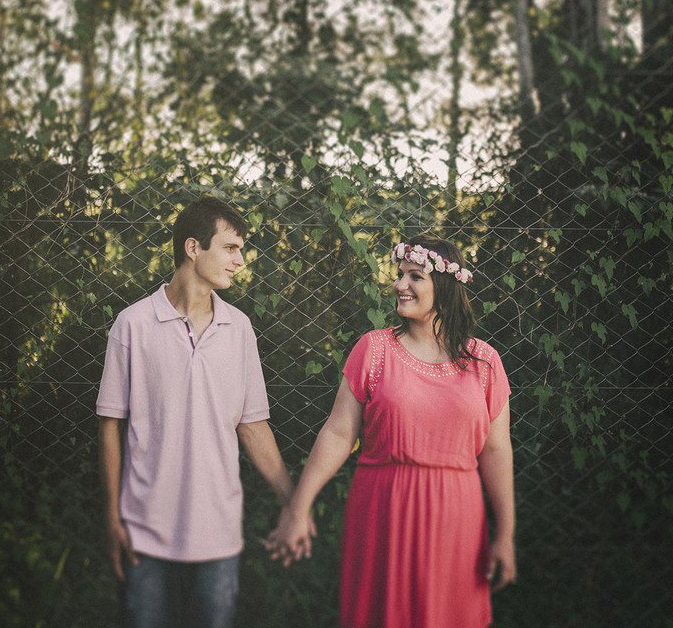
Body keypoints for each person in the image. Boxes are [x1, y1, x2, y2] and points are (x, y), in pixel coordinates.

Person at [267, 234, 517, 627]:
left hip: (457, 515)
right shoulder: (374, 349)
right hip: (385, 509)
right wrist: (298, 509)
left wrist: (505, 535)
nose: (400, 285)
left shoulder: (484, 362)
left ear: (444, 286)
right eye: (400, 275)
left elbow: (497, 451)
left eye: (415, 276)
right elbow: (338, 434)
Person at [96, 195, 304, 628]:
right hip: (145, 531)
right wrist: (112, 518)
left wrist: (294, 503)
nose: (240, 261)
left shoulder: (239, 328)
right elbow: (110, 425)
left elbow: (253, 427)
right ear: (193, 248)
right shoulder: (132, 325)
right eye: (230, 248)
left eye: (240, 250)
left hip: (218, 532)